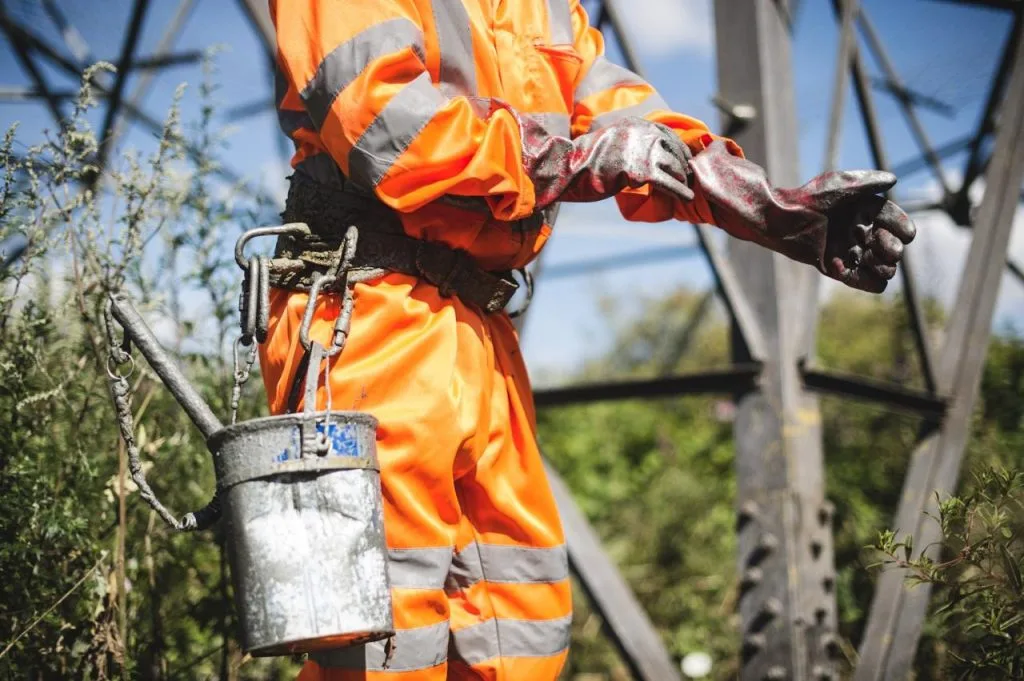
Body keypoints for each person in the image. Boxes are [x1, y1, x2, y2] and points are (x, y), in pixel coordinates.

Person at [261, 1, 916, 679]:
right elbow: (388, 127)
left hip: (479, 321)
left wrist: (768, 210)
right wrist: (568, 161)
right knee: (382, 635)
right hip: (370, 310)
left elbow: (629, 124)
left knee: (517, 626)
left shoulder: (540, 11)